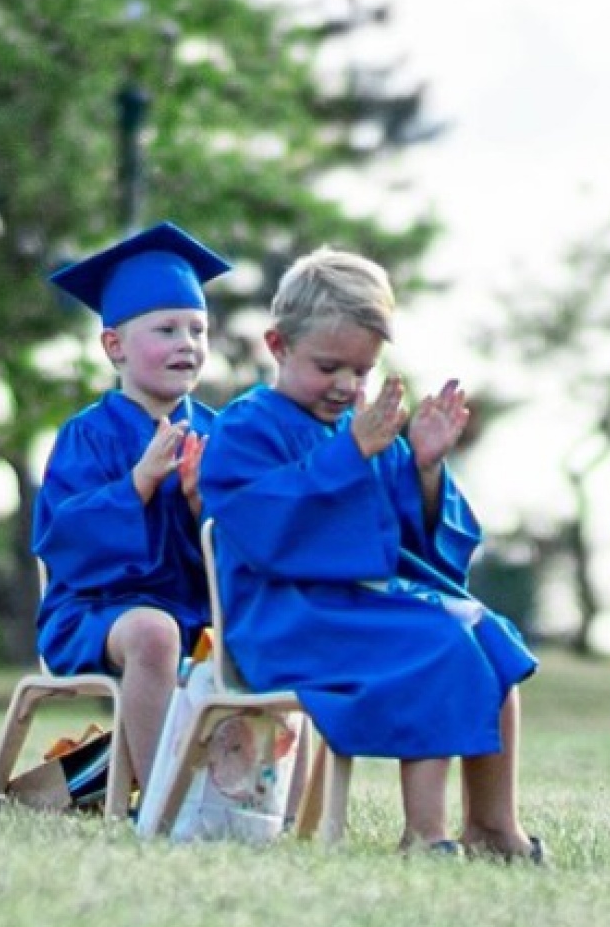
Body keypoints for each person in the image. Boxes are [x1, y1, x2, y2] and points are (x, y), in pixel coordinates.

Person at [201, 248, 542, 861]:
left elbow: (407, 542)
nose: (346, 386)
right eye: (328, 366)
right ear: (277, 345)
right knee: (438, 642)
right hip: (287, 621)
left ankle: (492, 827)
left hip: (356, 611)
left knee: (493, 639)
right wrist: (349, 454)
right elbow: (263, 528)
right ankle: (424, 835)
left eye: (362, 370)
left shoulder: (367, 426)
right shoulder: (246, 428)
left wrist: (425, 466)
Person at [32, 221, 234, 802]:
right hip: (97, 615)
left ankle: (256, 799)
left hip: (198, 615)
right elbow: (63, 539)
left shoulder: (221, 434)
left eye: (197, 329)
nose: (187, 343)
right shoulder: (86, 437)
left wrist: (202, 504)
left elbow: (243, 550)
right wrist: (138, 484)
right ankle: (164, 808)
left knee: (272, 626)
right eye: (166, 329)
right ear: (114, 345)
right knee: (153, 630)